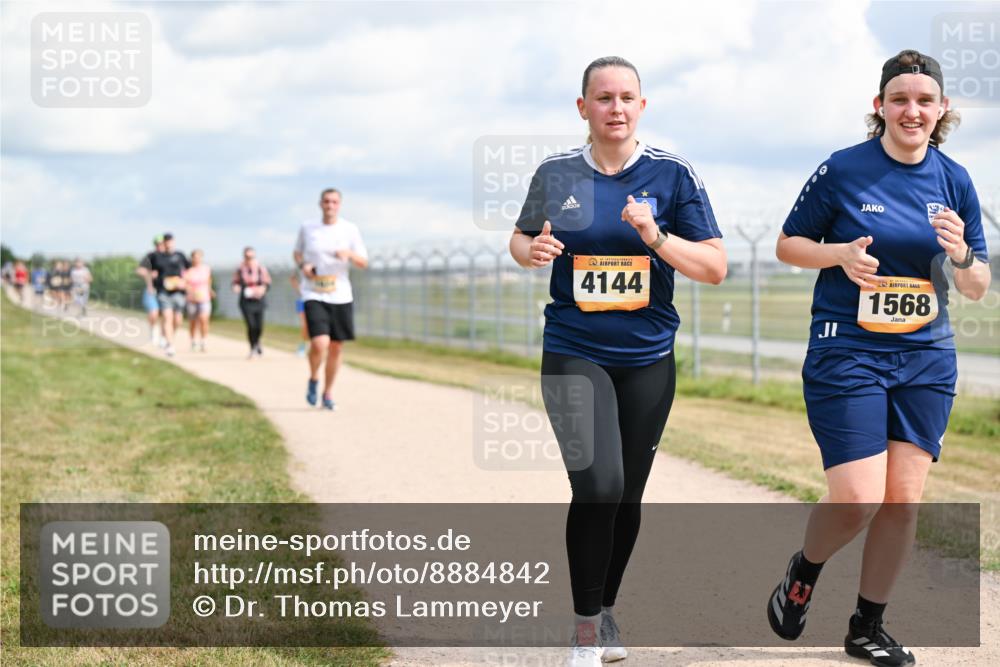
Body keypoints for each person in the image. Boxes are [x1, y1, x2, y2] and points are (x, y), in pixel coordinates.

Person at [766, 50, 990, 667]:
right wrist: (837, 254)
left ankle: (868, 627)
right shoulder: (843, 169)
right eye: (899, 99)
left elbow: (976, 286)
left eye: (924, 100)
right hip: (848, 349)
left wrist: (963, 256)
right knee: (858, 497)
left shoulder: (956, 180)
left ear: (942, 109)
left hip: (925, 357)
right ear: (880, 106)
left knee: (903, 500)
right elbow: (788, 244)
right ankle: (803, 572)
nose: (911, 110)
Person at [509, 56, 726, 666]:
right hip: (574, 350)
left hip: (649, 357)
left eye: (627, 97)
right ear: (583, 108)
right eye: (603, 98)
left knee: (628, 495)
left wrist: (654, 236)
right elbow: (521, 237)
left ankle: (604, 610)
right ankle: (582, 629)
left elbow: (714, 267)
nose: (616, 108)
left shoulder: (672, 174)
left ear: (643, 106)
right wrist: (534, 249)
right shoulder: (555, 173)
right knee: (598, 485)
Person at [293, 188, 369, 411]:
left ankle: (327, 392)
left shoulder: (350, 229)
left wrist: (350, 254)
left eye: (334, 202)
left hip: (341, 293)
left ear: (340, 205)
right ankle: (314, 377)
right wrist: (303, 266)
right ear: (320, 204)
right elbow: (297, 253)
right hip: (313, 291)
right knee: (319, 343)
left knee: (336, 346)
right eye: (326, 201)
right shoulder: (308, 228)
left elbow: (363, 261)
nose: (330, 205)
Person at [147, 233, 190, 357]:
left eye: (170, 241)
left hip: (178, 291)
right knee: (167, 318)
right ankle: (170, 345)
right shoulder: (156, 257)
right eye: (166, 241)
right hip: (163, 291)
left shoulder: (180, 255)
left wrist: (184, 282)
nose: (168, 243)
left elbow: (188, 270)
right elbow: (149, 271)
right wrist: (151, 282)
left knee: (178, 320)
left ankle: (168, 337)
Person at [231, 246, 271, 358]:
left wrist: (262, 289)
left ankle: (257, 341)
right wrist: (236, 287)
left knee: (259, 326)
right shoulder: (239, 269)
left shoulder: (260, 268)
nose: (249, 259)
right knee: (251, 325)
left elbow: (267, 282)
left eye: (251, 256)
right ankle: (252, 347)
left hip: (259, 300)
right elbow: (235, 282)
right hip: (246, 301)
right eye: (247, 256)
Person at [137, 236, 166, 347]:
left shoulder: (170, 257)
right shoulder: (151, 256)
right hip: (152, 289)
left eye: (161, 244)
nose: (159, 246)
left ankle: (164, 337)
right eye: (157, 244)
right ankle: (153, 332)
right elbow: (139, 270)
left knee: (166, 315)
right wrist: (150, 274)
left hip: (166, 291)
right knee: (153, 313)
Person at [184, 249, 214, 352]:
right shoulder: (187, 270)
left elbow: (209, 280)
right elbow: (185, 283)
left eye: (199, 257)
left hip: (204, 298)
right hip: (191, 299)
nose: (197, 259)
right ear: (192, 258)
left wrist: (210, 290)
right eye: (195, 257)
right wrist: (191, 291)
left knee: (203, 319)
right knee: (193, 322)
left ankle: (203, 341)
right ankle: (193, 341)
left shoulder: (206, 268)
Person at [289, 270, 310, 357]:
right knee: (305, 325)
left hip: (318, 300)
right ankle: (303, 346)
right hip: (302, 301)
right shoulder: (300, 267)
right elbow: (293, 279)